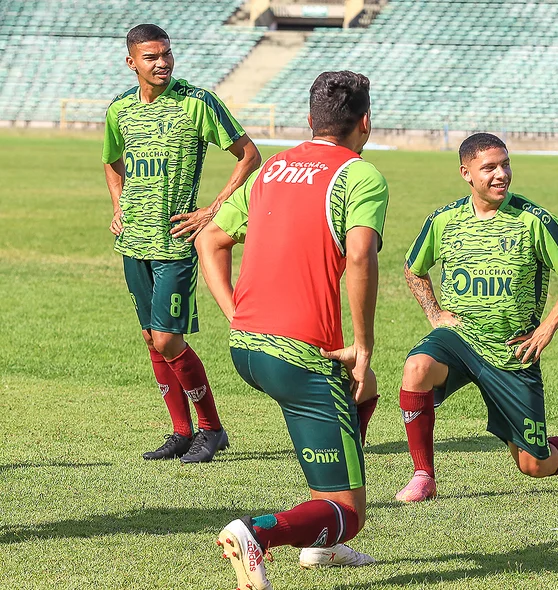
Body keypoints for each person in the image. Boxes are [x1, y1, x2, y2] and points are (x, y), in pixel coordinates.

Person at [195, 70, 388, 588]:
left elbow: (210, 239)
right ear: (365, 122)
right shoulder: (358, 175)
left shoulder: (273, 168)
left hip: (248, 347)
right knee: (351, 510)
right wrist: (364, 343)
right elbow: (361, 257)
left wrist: (237, 315)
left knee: (362, 389)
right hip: (299, 354)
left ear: (309, 120)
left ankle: (321, 549)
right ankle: (258, 533)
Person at [395, 133, 558, 503]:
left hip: (512, 353)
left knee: (535, 466)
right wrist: (435, 313)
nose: (501, 174)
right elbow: (414, 268)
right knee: (416, 368)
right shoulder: (444, 220)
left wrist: (546, 329)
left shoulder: (533, 220)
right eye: (489, 167)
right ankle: (423, 475)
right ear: (466, 173)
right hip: (460, 340)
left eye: (505, 164)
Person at [102, 24, 261, 463]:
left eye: (167, 54)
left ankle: (212, 429)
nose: (162, 63)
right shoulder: (120, 110)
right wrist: (118, 206)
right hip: (134, 242)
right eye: (151, 57)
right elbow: (111, 161)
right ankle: (180, 431)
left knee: (168, 339)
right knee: (151, 340)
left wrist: (213, 209)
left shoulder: (197, 103)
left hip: (174, 243)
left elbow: (249, 154)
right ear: (131, 62)